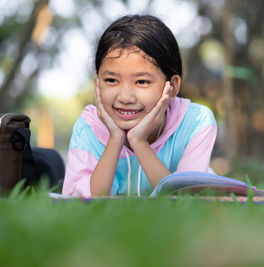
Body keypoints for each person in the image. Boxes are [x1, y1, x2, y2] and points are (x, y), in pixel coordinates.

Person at [62, 15, 217, 197]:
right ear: (97, 83)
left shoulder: (196, 122)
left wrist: (139, 142)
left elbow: (185, 200)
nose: (125, 97)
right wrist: (115, 140)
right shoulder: (89, 126)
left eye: (142, 82)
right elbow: (78, 203)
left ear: (172, 86)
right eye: (111, 80)